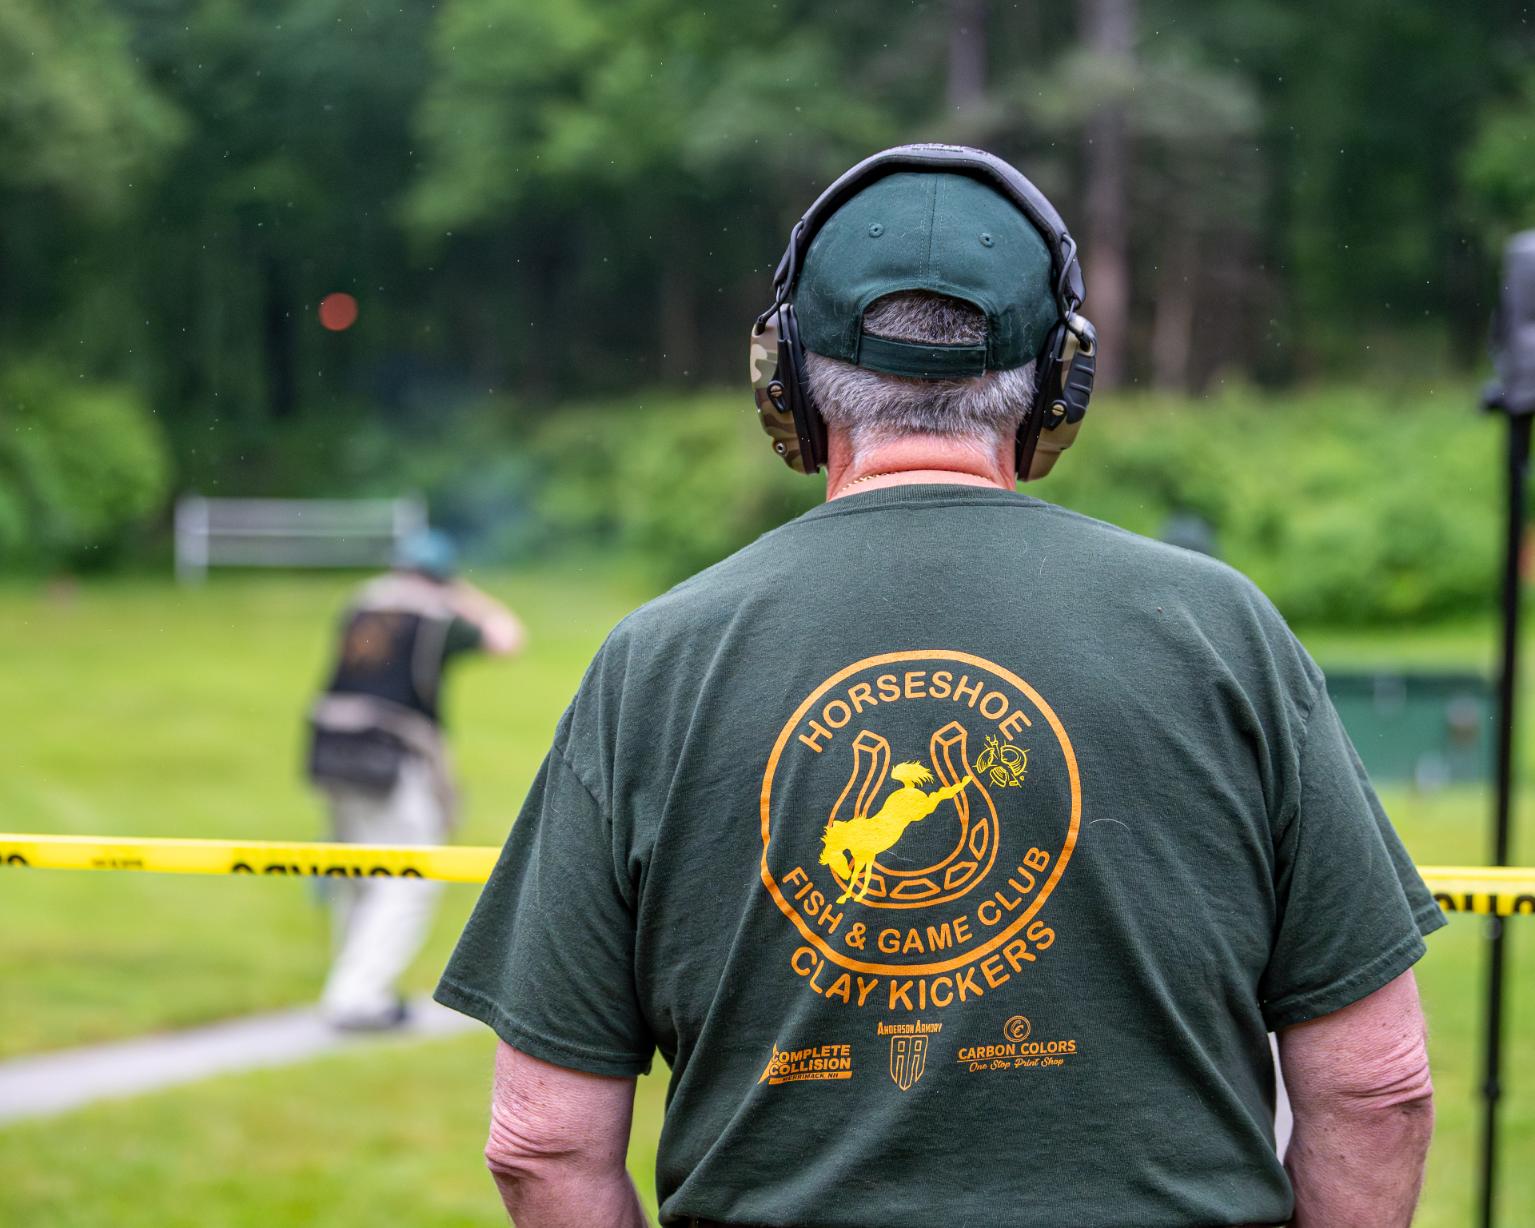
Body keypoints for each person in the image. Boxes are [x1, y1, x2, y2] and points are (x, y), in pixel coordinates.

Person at [435, 146, 1442, 1227]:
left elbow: (542, 1142)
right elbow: (1375, 1090)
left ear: (784, 377)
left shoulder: (653, 662)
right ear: (1059, 382)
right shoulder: (1219, 631)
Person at [307, 528, 522, 1030]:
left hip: (330, 746)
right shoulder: (435, 614)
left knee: (357, 874)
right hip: (390, 753)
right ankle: (358, 996)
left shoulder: (360, 602)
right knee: (410, 877)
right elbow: (507, 638)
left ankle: (352, 985)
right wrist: (463, 595)